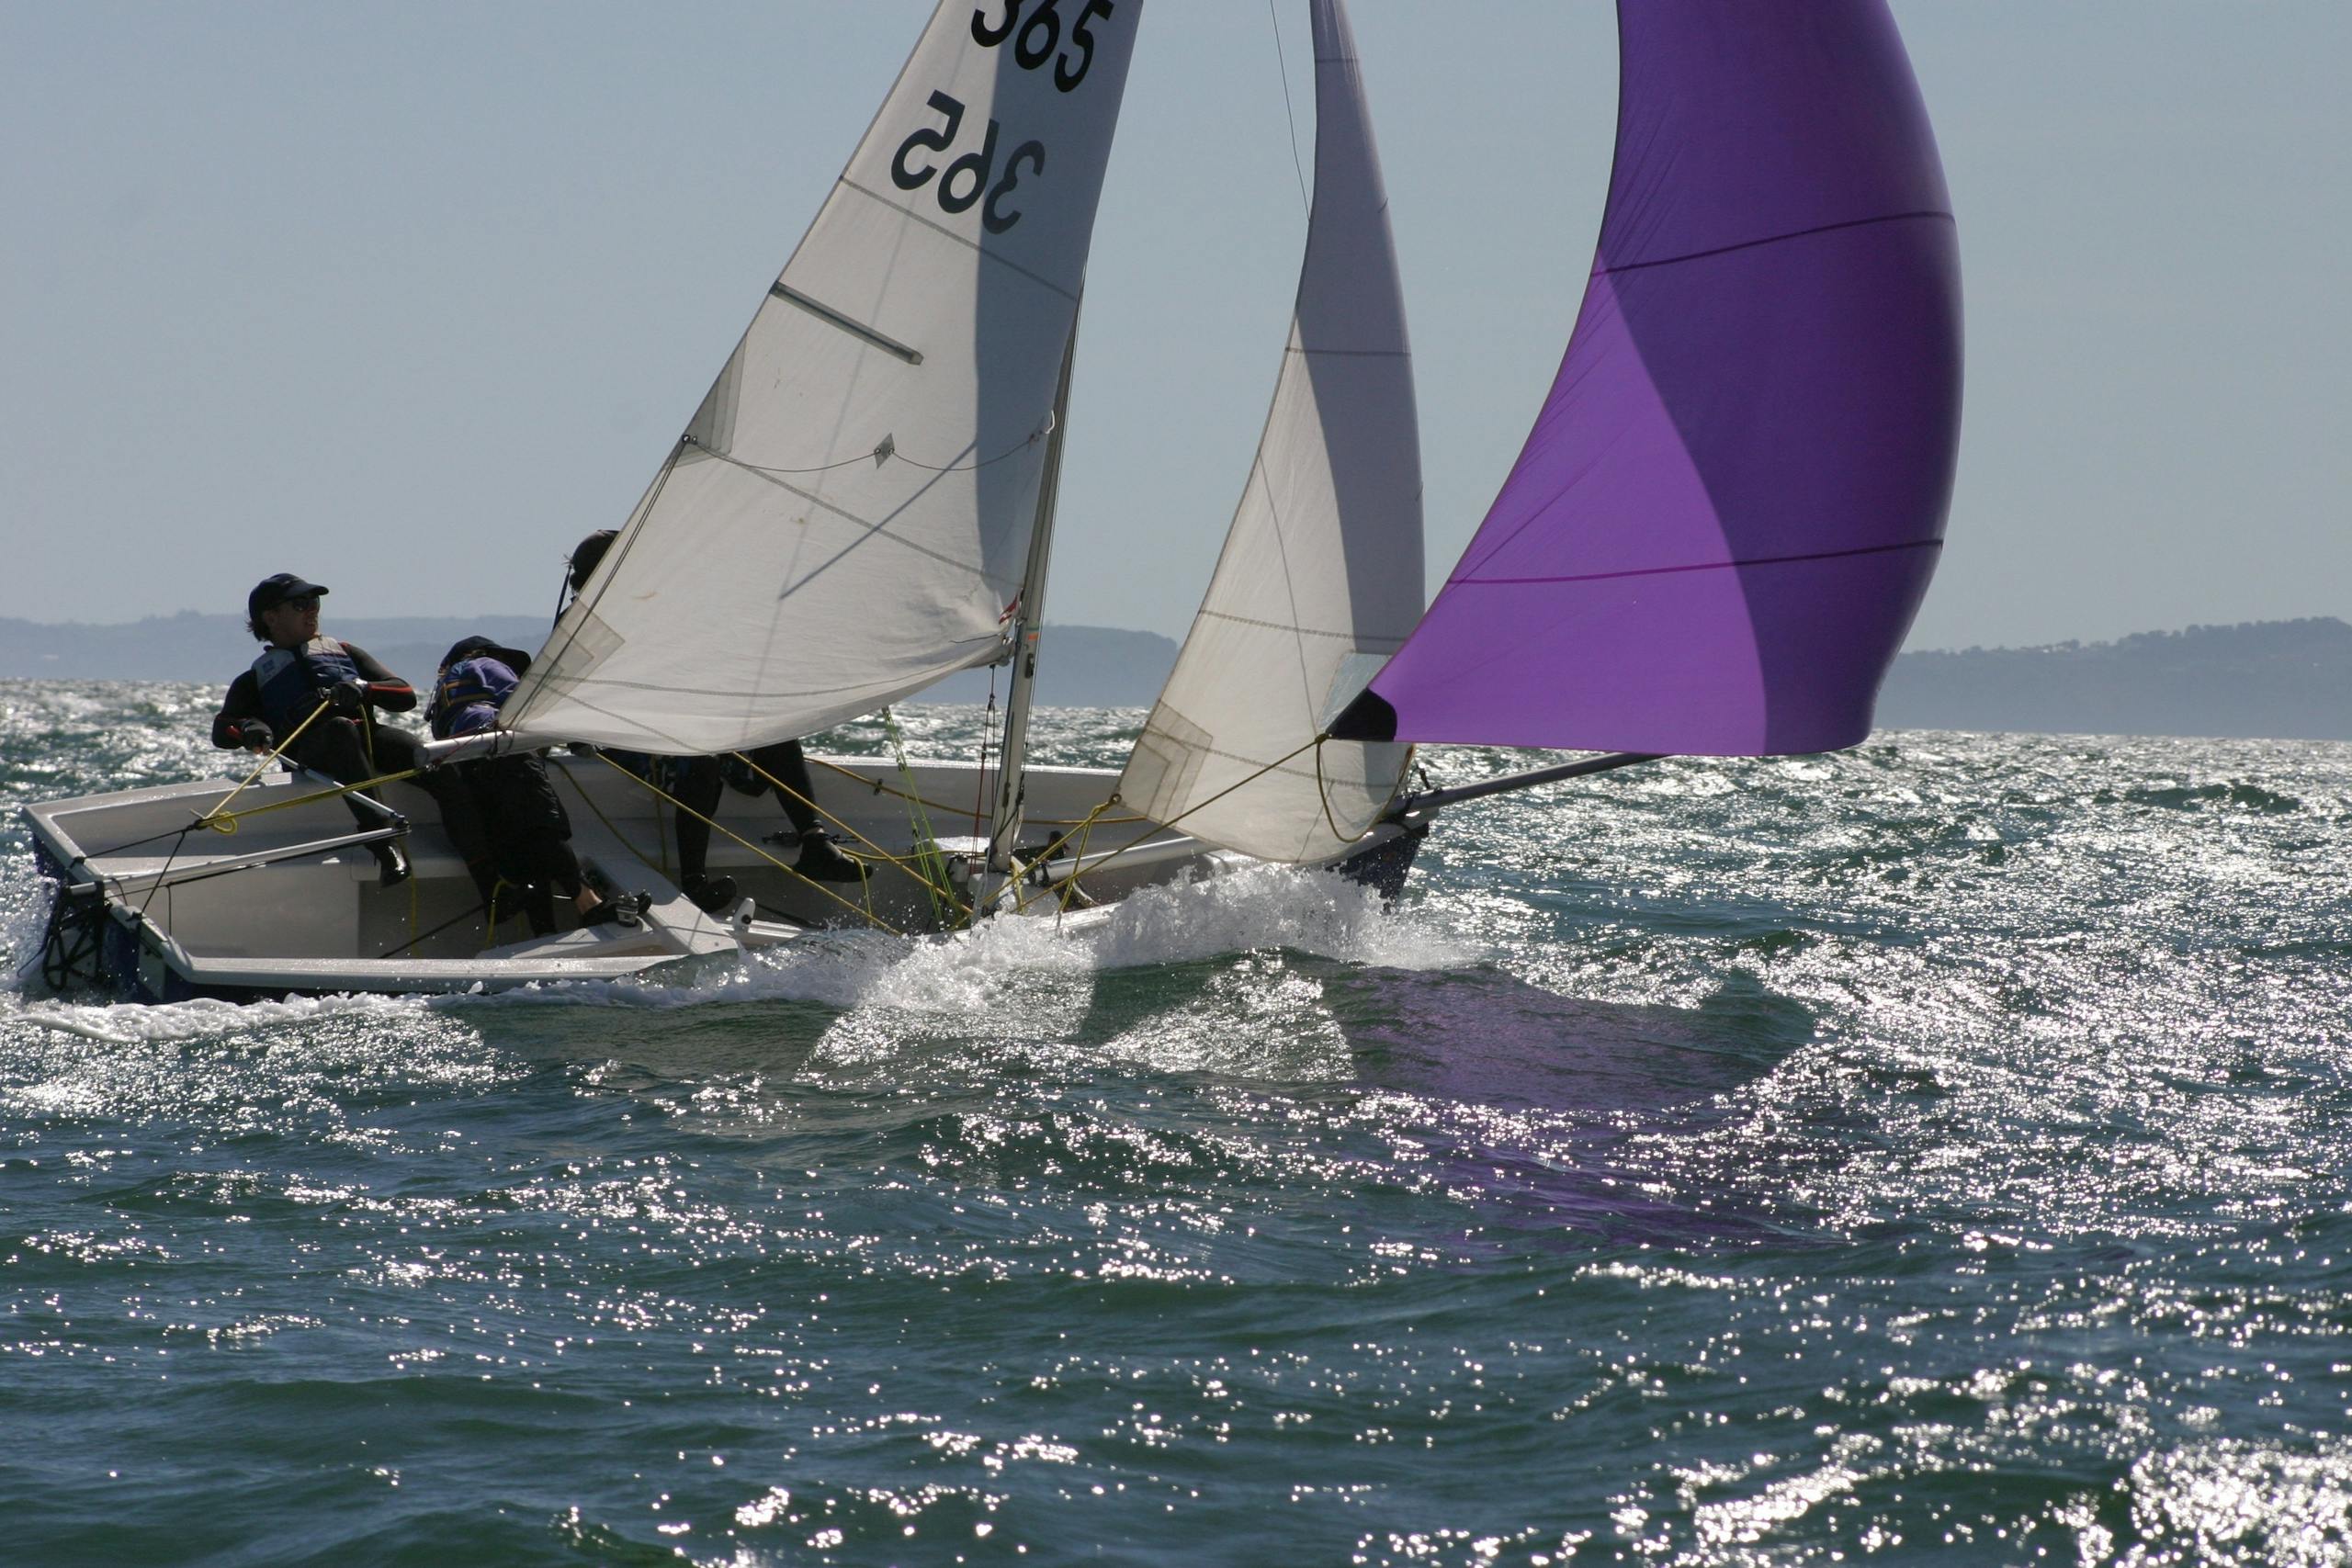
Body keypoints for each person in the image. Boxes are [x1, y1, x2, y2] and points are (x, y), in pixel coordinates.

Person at [563, 531, 866, 913]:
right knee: (700, 763)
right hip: (630, 741)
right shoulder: (578, 627)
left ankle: (815, 842)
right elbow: (567, 700)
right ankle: (694, 884)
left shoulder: (658, 612)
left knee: (775, 736)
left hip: (686, 730)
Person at [212, 573, 500, 900]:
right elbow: (222, 730)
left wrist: (363, 689)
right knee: (339, 731)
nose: (312, 610)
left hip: (364, 737)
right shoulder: (253, 680)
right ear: (271, 617)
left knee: (435, 763)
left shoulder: (344, 651)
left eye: (315, 602)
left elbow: (404, 694)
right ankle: (383, 844)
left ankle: (488, 878)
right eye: (300, 604)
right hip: (313, 751)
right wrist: (250, 728)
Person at [425, 637, 646, 935]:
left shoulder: (442, 696)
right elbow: (522, 702)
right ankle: (590, 904)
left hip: (468, 765)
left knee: (522, 850)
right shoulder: (482, 663)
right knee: (544, 829)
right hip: (503, 750)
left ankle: (544, 932)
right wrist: (573, 735)